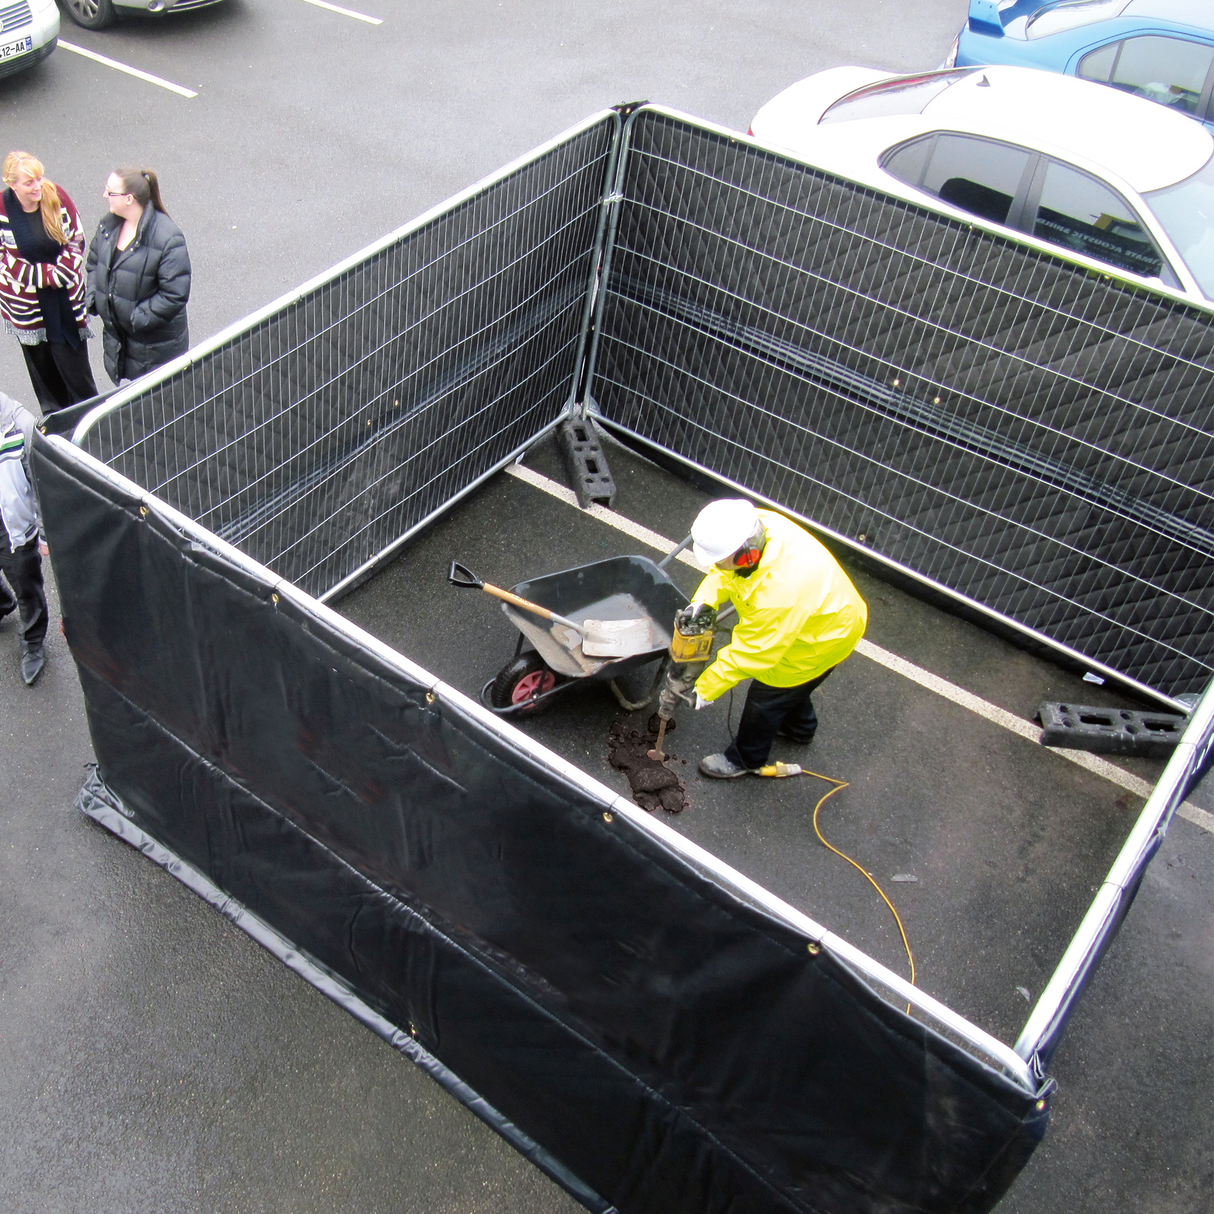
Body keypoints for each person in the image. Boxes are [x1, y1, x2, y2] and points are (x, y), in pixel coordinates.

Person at [678, 498, 868, 779]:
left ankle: (745, 759)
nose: (716, 566)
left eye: (720, 561)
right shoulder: (755, 528)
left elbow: (751, 653)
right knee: (793, 687)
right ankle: (800, 729)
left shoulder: (778, 593)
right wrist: (705, 600)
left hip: (820, 637)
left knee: (767, 698)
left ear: (745, 556)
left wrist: (704, 689)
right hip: (831, 613)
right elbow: (727, 575)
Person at [0, 151, 98, 413]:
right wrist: (44, 277)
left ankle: (90, 417)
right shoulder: (1, 209)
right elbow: (2, 257)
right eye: (29, 182)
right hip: (27, 307)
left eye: (39, 178)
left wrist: (60, 275)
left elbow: (76, 239)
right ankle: (56, 420)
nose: (38, 186)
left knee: (77, 371)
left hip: (65, 301)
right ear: (11, 184)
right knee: (43, 372)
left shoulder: (57, 196)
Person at [86, 167, 191, 385]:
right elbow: (94, 263)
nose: (104, 196)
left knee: (159, 406)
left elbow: (174, 294)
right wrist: (95, 297)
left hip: (155, 350)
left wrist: (135, 318)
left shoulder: (168, 238)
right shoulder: (109, 225)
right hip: (124, 342)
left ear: (129, 199)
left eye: (110, 192)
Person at [0, 389, 48, 685]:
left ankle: (33, 642)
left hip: (12, 528)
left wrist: (43, 535)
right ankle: (3, 605)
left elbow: (43, 487)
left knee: (26, 585)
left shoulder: (22, 426)